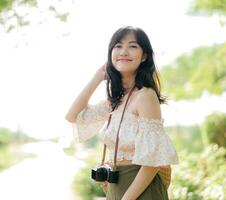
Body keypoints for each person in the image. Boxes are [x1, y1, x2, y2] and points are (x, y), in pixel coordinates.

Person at [66, 26, 178, 200]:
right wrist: (97, 77)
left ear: (144, 56)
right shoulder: (115, 101)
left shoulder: (145, 96)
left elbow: (153, 160)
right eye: (117, 46)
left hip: (140, 189)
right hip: (116, 186)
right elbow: (72, 116)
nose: (124, 51)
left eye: (133, 46)